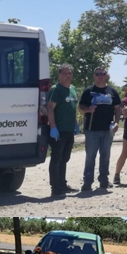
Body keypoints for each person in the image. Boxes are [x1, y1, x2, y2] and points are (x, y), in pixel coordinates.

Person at [78, 67, 121, 191]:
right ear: (94, 76)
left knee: (105, 155)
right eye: (98, 74)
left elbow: (118, 108)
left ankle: (104, 180)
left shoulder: (112, 91)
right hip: (91, 129)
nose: (100, 76)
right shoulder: (88, 91)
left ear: (107, 75)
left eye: (103, 74)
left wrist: (117, 122)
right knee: (90, 156)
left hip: (108, 129)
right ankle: (87, 181)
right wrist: (88, 109)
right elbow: (81, 106)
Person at [47, 63, 78, 196]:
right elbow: (49, 108)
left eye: (70, 73)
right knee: (56, 159)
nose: (68, 75)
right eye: (65, 73)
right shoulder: (56, 89)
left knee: (65, 158)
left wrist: (75, 124)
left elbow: (72, 108)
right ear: (59, 75)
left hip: (69, 129)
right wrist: (53, 126)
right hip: (58, 130)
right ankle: (55, 187)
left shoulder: (73, 89)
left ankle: (62, 184)